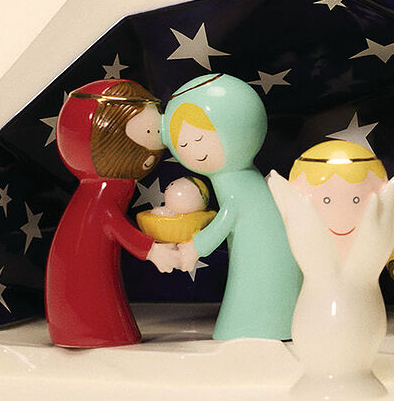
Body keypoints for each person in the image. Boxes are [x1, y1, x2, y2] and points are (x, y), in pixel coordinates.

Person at [162, 73, 300, 340]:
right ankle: (267, 321)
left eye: (199, 139)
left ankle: (259, 325)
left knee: (253, 288)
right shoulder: (243, 179)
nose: (193, 150)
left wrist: (196, 247)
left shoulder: (236, 184)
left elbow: (228, 216)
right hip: (263, 256)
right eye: (184, 143)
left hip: (265, 259)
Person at [45, 79, 178, 348]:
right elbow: (112, 223)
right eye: (150, 131)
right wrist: (153, 250)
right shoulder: (102, 196)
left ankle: (86, 330)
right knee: (99, 306)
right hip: (82, 281)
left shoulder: (99, 191)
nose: (159, 142)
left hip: (81, 274)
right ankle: (91, 332)